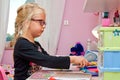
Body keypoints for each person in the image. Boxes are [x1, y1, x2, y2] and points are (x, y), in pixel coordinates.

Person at [13, 3, 89, 80]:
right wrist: (72, 59)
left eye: (44, 23)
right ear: (27, 22)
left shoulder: (36, 44)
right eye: (41, 22)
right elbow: (47, 60)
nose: (44, 26)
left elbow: (49, 58)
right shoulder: (22, 44)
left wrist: (72, 62)